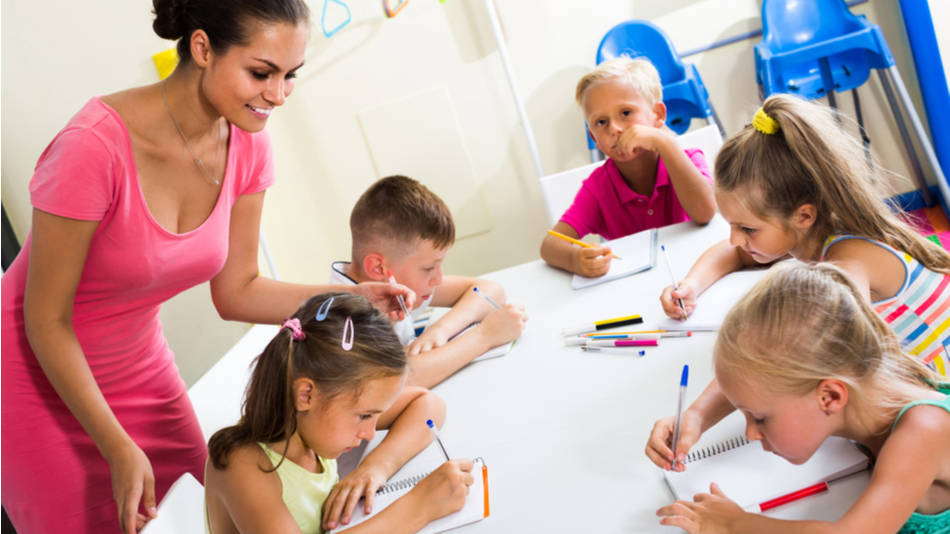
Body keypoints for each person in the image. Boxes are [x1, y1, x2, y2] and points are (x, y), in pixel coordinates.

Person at [0, 2, 414, 533]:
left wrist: (360, 297)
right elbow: (46, 320)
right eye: (261, 73)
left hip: (138, 365)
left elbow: (237, 291)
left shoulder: (248, 145)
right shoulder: (91, 149)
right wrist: (115, 444)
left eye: (290, 75)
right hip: (34, 375)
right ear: (201, 49)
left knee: (196, 513)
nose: (279, 94)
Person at [659, 94, 950, 375]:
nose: (736, 239)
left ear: (803, 216)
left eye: (747, 229)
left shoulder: (846, 264)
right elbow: (733, 253)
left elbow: (848, 356)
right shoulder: (810, 231)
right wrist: (691, 285)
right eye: (731, 225)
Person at [655, 262, 950, 533]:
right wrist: (696, 416)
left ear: (830, 397)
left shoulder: (923, 431)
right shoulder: (855, 372)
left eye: (759, 418)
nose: (750, 432)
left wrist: (736, 524)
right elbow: (751, 374)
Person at [205, 293, 474, 533]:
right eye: (365, 416)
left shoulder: (311, 425)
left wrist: (374, 469)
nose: (370, 432)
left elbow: (428, 406)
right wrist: (419, 507)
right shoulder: (242, 464)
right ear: (306, 395)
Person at [330, 175, 527, 388]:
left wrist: (441, 330)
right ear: (378, 268)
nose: (438, 279)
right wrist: (486, 336)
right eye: (428, 268)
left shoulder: (395, 284)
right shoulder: (342, 319)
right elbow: (394, 383)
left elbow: (490, 291)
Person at [540, 56, 716, 278]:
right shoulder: (598, 188)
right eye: (601, 122)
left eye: (625, 113)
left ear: (658, 115)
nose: (614, 128)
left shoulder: (687, 160)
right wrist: (575, 259)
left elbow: (705, 212)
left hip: (695, 274)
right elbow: (550, 245)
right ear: (594, 137)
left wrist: (664, 142)